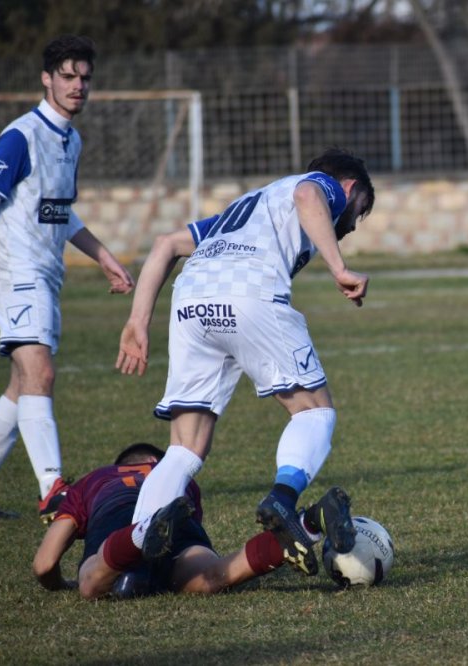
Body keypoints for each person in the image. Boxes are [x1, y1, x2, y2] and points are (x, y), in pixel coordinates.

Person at [111, 148, 376, 577]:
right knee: (315, 411)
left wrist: (138, 322)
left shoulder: (251, 205)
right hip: (248, 292)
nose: (352, 222)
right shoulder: (322, 186)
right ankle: (283, 499)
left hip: (191, 300)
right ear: (350, 188)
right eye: (359, 210)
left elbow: (166, 245)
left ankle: (134, 559)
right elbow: (310, 195)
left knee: (184, 446)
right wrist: (339, 268)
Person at [0, 35, 134, 524]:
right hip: (15, 274)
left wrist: (104, 256)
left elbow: (60, 214)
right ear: (47, 79)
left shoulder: (72, 140)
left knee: (20, 387)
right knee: (41, 375)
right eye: (68, 76)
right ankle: (53, 490)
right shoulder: (21, 135)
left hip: (46, 277)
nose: (78, 86)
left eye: (85, 78)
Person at [33, 442, 312, 599]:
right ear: (158, 461)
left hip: (117, 512)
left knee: (91, 583)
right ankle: (309, 525)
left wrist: (60, 584)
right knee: (210, 576)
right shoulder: (183, 482)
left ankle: (140, 533)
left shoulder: (94, 479)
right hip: (176, 513)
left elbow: (44, 564)